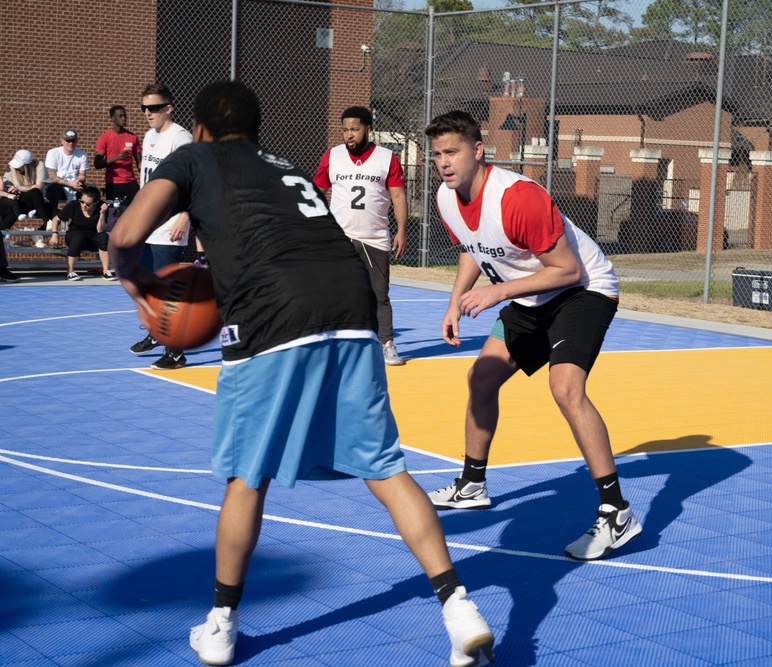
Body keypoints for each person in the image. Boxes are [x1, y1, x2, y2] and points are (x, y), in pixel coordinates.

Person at [108, 80, 496, 667]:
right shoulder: (286, 165)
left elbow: (123, 236)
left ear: (203, 127)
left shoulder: (195, 156)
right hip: (353, 306)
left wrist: (144, 297)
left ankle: (220, 625)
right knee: (387, 469)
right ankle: (458, 607)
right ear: (257, 128)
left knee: (247, 475)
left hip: (272, 312)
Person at [423, 110, 642, 561]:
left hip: (583, 289)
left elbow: (568, 269)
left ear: (478, 151)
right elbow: (473, 247)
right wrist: (455, 301)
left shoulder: (518, 198)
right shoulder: (447, 198)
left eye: (453, 152)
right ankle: (472, 484)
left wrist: (497, 291)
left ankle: (616, 513)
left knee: (565, 387)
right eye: (437, 154)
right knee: (481, 378)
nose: (444, 162)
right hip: (532, 294)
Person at [313, 106, 409, 366]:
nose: (349, 135)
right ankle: (331, 344)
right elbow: (317, 192)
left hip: (375, 237)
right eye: (345, 130)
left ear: (368, 129)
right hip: (339, 237)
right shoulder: (332, 156)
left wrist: (401, 230)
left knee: (379, 294)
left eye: (354, 129)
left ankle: (386, 343)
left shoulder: (387, 157)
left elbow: (398, 196)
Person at [128, 83, 193, 369]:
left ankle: (176, 352)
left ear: (169, 108)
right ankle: (156, 333)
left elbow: (195, 181)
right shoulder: (149, 135)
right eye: (143, 108)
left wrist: (185, 216)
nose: (147, 113)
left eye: (153, 108)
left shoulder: (180, 138)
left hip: (170, 223)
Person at [47, 184, 116, 281]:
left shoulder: (102, 207)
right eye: (82, 202)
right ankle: (70, 271)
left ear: (96, 202)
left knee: (103, 237)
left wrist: (102, 214)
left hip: (93, 237)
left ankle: (106, 271)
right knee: (78, 237)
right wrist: (55, 234)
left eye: (88, 204)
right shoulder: (74, 205)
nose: (84, 206)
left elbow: (99, 230)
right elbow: (56, 219)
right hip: (75, 235)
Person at [95, 105, 141, 204]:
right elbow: (97, 164)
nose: (124, 118)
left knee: (137, 208)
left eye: (125, 116)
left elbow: (139, 162)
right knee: (115, 213)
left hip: (130, 182)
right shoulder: (105, 138)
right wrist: (116, 158)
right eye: (120, 116)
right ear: (112, 118)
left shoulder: (133, 137)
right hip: (114, 183)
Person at [4, 150, 52, 226]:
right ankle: (3, 232)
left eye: (18, 166)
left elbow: (38, 187)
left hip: (39, 202)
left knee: (59, 214)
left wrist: (18, 188)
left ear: (27, 165)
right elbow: (4, 186)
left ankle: (41, 230)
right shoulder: (12, 169)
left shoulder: (39, 165)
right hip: (19, 202)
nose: (16, 169)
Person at [44, 129, 88, 206]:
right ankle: (52, 213)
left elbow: (82, 175)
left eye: (73, 140)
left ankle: (83, 214)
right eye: (68, 141)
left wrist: (77, 182)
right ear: (62, 141)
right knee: (53, 188)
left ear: (76, 141)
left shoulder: (82, 155)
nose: (71, 143)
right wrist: (70, 184)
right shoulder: (53, 153)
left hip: (74, 183)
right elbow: (52, 178)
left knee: (91, 190)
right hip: (58, 185)